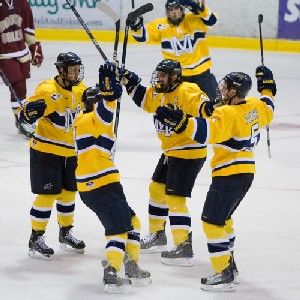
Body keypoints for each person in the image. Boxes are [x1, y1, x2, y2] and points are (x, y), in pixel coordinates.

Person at [155, 65, 276, 291]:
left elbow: (205, 133)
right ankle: (230, 267)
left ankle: (224, 273)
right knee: (224, 220)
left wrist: (181, 122)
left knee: (212, 222)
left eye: (225, 88)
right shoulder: (256, 107)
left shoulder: (227, 113)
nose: (221, 90)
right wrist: (267, 87)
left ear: (233, 92)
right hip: (246, 173)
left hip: (228, 173)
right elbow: (269, 104)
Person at [120, 59, 218, 266]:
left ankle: (183, 246)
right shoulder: (159, 92)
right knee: (156, 189)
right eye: (158, 75)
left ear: (174, 78)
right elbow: (144, 100)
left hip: (189, 152)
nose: (159, 79)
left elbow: (204, 109)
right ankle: (157, 235)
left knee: (175, 199)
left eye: (163, 76)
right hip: (171, 151)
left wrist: (213, 106)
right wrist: (128, 80)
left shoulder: (187, 91)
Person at [73, 63, 151, 293]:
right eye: (97, 100)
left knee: (132, 223)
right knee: (118, 229)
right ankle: (112, 272)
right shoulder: (90, 120)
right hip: (100, 184)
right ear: (92, 104)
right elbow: (106, 115)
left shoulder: (89, 120)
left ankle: (131, 264)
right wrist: (109, 96)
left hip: (99, 183)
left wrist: (110, 95)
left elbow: (107, 116)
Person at [18, 52, 86, 260]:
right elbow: (24, 116)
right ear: (61, 70)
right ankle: (35, 237)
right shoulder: (47, 90)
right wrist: (28, 113)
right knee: (47, 195)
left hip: (70, 152)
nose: (76, 73)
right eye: (72, 69)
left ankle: (65, 233)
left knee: (68, 194)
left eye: (77, 68)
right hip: (46, 150)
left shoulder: (81, 90)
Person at [129, 0, 219, 100]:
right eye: (171, 9)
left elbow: (213, 21)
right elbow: (142, 37)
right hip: (177, 76)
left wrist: (201, 9)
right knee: (178, 110)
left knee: (214, 104)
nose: (174, 12)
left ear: (182, 9)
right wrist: (136, 25)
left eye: (177, 8)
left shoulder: (194, 20)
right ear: (167, 12)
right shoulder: (161, 25)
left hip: (202, 74)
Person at [0, 0, 44, 138]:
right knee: (18, 86)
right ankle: (22, 119)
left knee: (22, 89)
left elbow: (28, 29)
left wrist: (34, 49)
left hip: (21, 52)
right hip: (4, 54)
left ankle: (20, 118)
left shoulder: (22, 3)